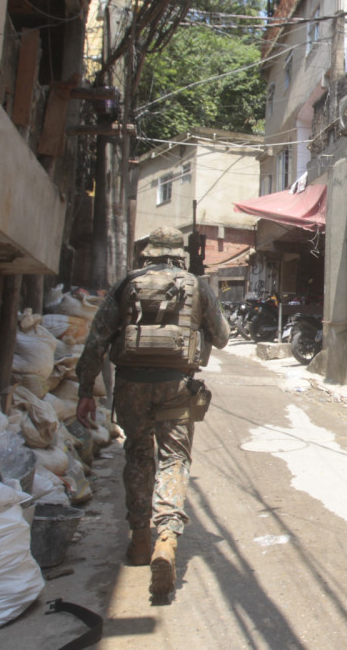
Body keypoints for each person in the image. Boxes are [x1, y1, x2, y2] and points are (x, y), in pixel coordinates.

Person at [75, 226, 229, 596]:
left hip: (131, 386)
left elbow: (97, 338)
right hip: (176, 385)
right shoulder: (196, 285)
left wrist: (85, 391)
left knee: (138, 454)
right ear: (180, 255)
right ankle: (167, 539)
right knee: (174, 460)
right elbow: (222, 337)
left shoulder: (127, 284)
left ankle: (140, 539)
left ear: (147, 253)